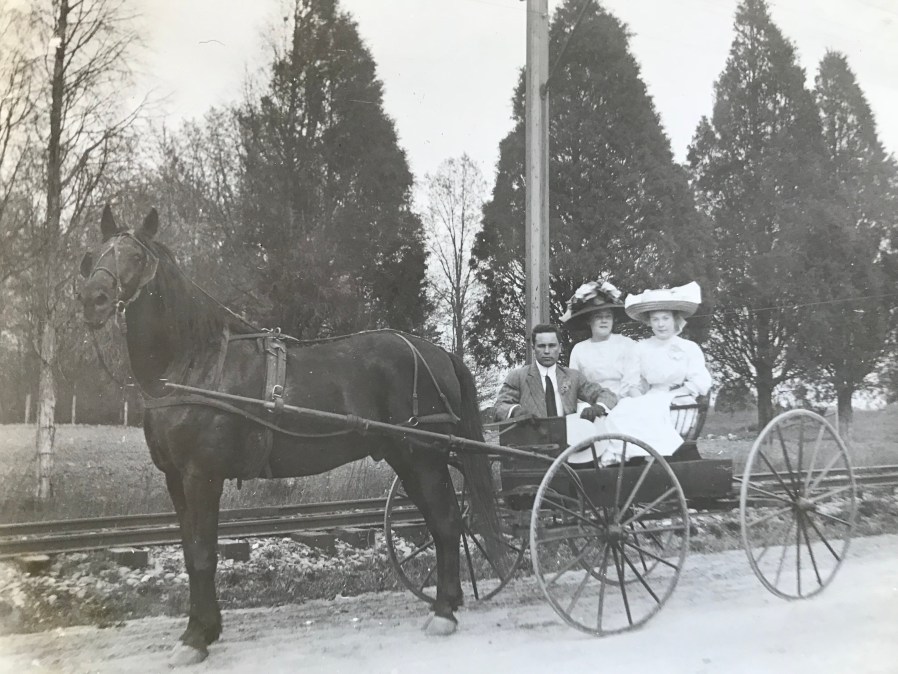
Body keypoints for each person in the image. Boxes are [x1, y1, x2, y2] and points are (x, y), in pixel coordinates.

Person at [598, 281, 713, 461]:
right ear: (649, 321)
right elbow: (632, 383)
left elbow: (699, 382)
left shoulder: (688, 348)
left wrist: (671, 396)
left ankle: (657, 456)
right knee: (622, 411)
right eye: (655, 319)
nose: (660, 324)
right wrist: (641, 401)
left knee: (653, 411)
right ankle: (631, 460)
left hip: (679, 402)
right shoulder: (641, 348)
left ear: (674, 319)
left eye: (665, 318)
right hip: (650, 398)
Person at [493, 324, 618, 422]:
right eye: (541, 346)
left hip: (568, 444)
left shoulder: (573, 376)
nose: (547, 351)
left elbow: (607, 395)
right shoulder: (518, 377)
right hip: (531, 445)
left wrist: (598, 407)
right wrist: (516, 411)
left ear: (559, 347)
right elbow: (500, 406)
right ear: (533, 348)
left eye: (552, 346)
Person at [561, 280, 640, 398]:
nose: (604, 320)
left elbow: (632, 382)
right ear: (589, 321)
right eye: (598, 317)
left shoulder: (627, 344)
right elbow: (575, 385)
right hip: (592, 407)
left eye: (608, 316)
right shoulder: (579, 350)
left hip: (624, 403)